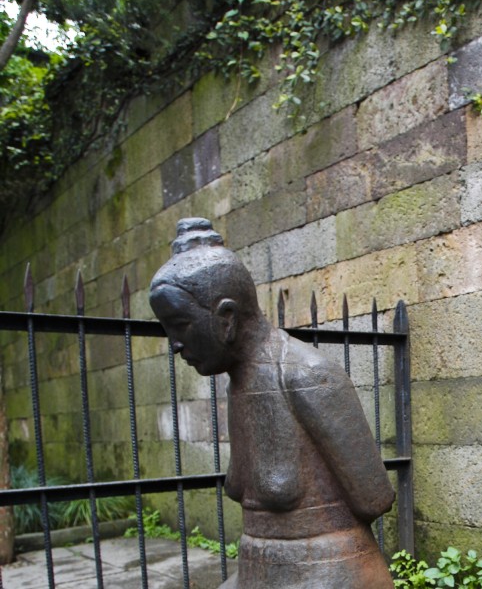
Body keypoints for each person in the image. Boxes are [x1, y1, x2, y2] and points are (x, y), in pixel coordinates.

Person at [149, 218, 395, 589]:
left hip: (328, 570)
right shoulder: (240, 383)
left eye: (179, 325)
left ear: (226, 319)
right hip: (258, 568)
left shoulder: (307, 375)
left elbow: (373, 497)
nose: (175, 344)